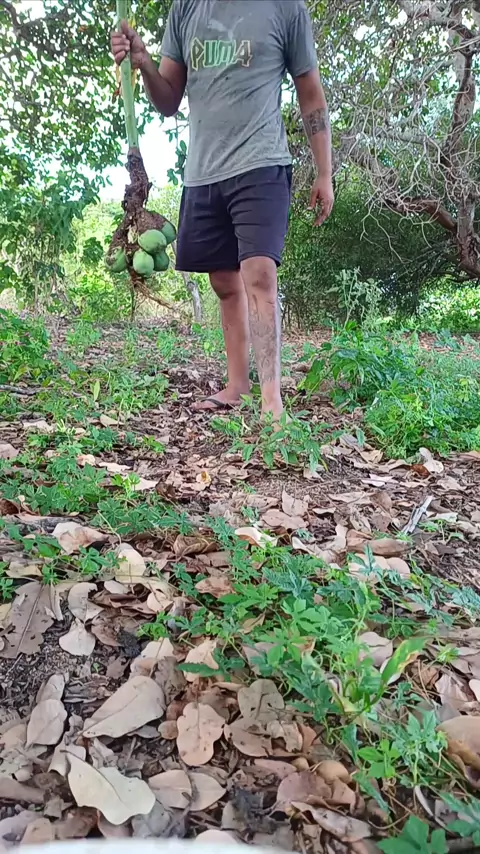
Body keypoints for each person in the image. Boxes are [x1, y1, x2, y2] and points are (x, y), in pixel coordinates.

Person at [111, 0, 333, 419]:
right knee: (224, 282)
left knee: (259, 274)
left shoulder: (285, 8)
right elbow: (168, 100)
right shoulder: (185, 9)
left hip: (261, 163)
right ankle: (237, 385)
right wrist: (143, 63)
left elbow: (309, 91)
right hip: (204, 170)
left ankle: (272, 402)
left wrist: (324, 171)